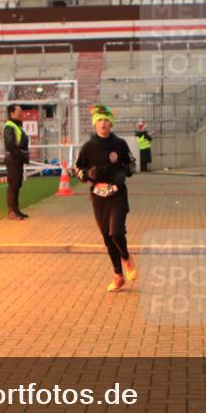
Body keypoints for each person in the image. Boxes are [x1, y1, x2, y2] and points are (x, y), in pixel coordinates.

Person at [75, 104, 138, 292]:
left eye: (106, 121)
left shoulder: (119, 144)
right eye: (99, 121)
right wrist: (87, 174)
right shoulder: (88, 147)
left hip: (117, 194)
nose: (103, 124)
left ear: (111, 124)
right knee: (107, 237)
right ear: (95, 124)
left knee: (116, 232)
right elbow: (77, 169)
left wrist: (125, 172)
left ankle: (126, 259)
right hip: (98, 197)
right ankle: (118, 275)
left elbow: (131, 164)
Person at [3, 103, 30, 220]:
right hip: (14, 159)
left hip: (17, 159)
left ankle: (16, 210)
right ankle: (12, 212)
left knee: (17, 185)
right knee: (13, 186)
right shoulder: (10, 126)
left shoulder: (17, 126)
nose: (21, 114)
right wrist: (20, 156)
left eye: (21, 112)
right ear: (12, 113)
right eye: (19, 112)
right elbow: (10, 145)